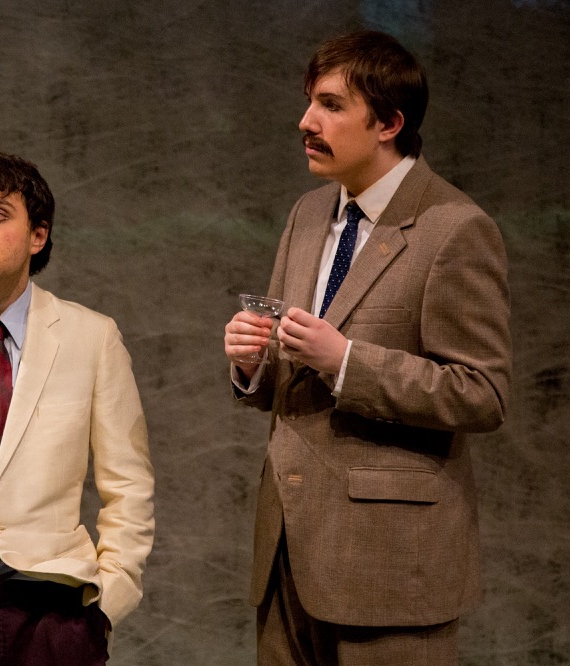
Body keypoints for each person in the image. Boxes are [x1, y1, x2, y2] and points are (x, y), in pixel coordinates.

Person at [223, 31, 512, 665]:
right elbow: (290, 377)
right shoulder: (308, 214)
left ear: (389, 124)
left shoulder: (455, 228)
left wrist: (348, 362)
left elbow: (483, 393)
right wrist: (253, 363)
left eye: (330, 105)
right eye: (309, 101)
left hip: (390, 566)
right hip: (287, 552)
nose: (306, 121)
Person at [0, 150, 155, 665]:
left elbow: (128, 484)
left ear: (38, 235)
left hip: (54, 617)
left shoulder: (93, 338)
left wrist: (107, 604)